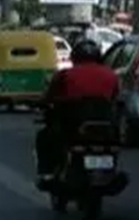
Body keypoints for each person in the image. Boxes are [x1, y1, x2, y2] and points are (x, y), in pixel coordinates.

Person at [36, 39, 120, 180]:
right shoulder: (111, 75)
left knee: (45, 137)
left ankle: (48, 172)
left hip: (72, 126)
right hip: (106, 126)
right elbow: (115, 97)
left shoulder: (65, 75)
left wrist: (42, 104)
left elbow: (49, 97)